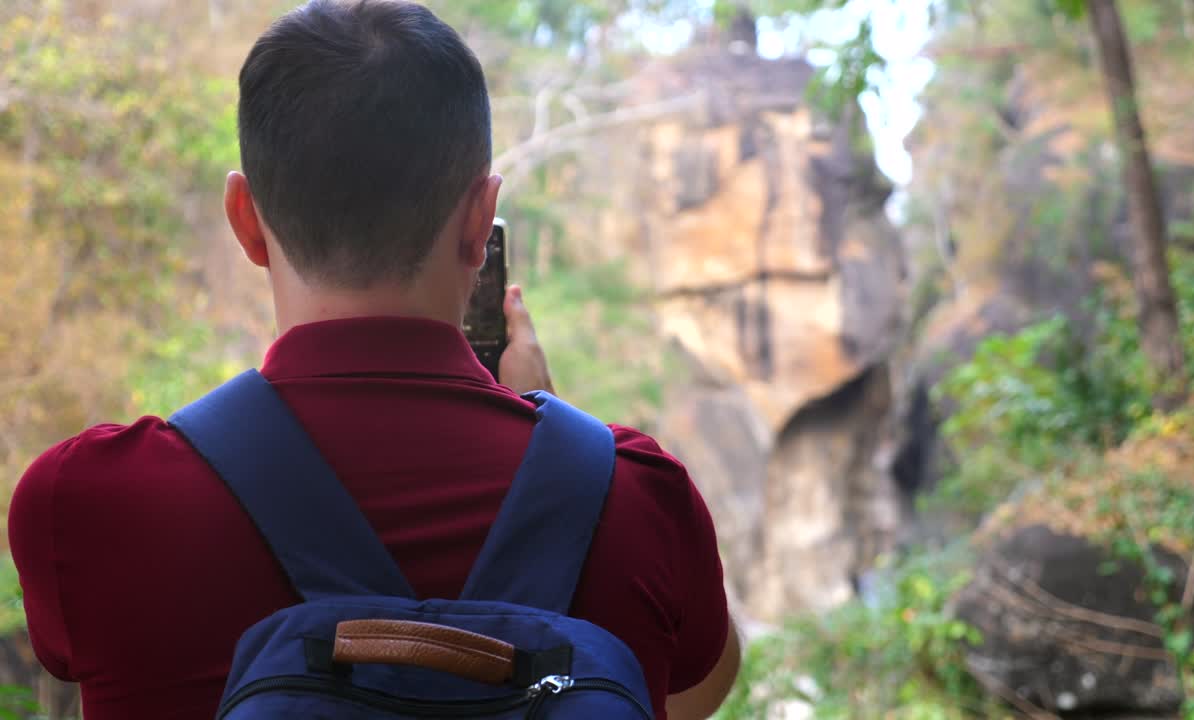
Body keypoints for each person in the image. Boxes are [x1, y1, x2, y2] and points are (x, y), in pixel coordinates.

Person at [7, 1, 740, 718]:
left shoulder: (89, 504)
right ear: (480, 221)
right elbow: (689, 693)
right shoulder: (641, 501)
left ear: (246, 220)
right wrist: (564, 438)